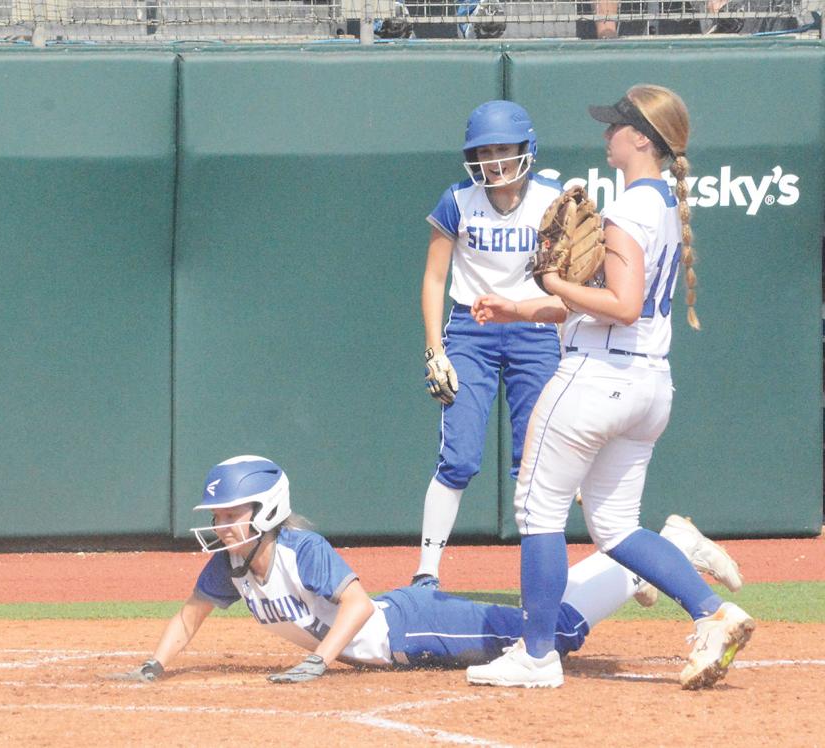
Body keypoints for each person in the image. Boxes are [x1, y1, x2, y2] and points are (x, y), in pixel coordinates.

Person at [464, 84, 755, 690]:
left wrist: (552, 280)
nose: (606, 136)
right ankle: (714, 612)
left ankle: (537, 655)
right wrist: (520, 307)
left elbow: (620, 305)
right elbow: (612, 307)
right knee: (616, 526)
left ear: (641, 138)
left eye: (615, 127)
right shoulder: (663, 208)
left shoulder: (626, 210)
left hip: (597, 379)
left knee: (537, 510)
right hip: (648, 385)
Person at [111, 455, 742, 683]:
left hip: (408, 627)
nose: (221, 525)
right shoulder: (231, 564)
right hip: (392, 641)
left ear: (266, 510)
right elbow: (188, 619)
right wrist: (155, 664)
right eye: (219, 514)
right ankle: (645, 563)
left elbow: (356, 605)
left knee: (557, 634)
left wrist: (318, 660)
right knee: (543, 624)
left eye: (231, 513)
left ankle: (660, 554)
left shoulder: (302, 549)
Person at [415, 101, 563, 589]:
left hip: (536, 328)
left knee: (535, 462)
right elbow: (435, 278)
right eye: (484, 151)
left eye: (503, 149)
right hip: (471, 328)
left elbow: (573, 282)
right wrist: (435, 348)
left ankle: (535, 581)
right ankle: (426, 574)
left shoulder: (554, 201)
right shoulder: (458, 199)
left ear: (526, 149)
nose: (494, 161)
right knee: (458, 457)